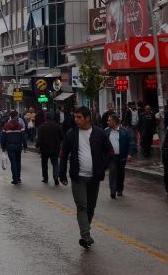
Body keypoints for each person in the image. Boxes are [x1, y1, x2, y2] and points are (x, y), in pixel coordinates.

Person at [59, 106, 113, 250]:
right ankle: (85, 235)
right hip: (78, 177)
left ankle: (86, 232)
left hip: (94, 177)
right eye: (75, 117)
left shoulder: (99, 133)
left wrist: (102, 167)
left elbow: (110, 152)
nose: (76, 120)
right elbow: (63, 155)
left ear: (88, 118)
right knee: (82, 206)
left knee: (90, 207)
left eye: (79, 117)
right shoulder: (71, 134)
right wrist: (62, 174)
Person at [104, 114, 131, 199]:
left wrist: (129, 154)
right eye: (107, 120)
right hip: (111, 157)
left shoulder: (124, 131)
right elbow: (102, 144)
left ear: (115, 122)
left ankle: (120, 189)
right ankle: (113, 190)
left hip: (121, 156)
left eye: (109, 120)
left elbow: (130, 143)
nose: (107, 122)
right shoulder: (106, 131)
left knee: (120, 173)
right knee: (112, 172)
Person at [36, 113, 63, 185]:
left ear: (45, 118)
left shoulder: (41, 127)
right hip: (55, 148)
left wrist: (37, 146)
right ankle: (56, 177)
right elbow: (62, 137)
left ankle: (45, 178)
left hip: (44, 149)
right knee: (55, 163)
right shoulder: (57, 126)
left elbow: (39, 138)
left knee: (44, 164)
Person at [2, 110, 26, 184]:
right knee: (18, 162)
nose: (18, 117)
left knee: (13, 162)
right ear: (15, 116)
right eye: (17, 116)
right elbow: (23, 136)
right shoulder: (20, 126)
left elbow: (3, 137)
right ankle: (18, 178)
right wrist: (25, 146)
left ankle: (15, 178)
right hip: (18, 146)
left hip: (10, 146)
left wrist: (3, 147)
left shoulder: (6, 126)